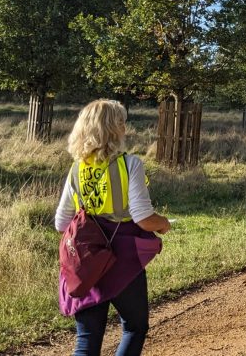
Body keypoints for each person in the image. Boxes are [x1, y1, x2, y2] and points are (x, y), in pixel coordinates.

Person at [54, 99, 171, 356]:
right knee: (134, 327)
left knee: (86, 339)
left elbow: (61, 223)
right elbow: (142, 218)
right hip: (123, 261)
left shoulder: (76, 169)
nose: (125, 129)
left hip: (87, 262)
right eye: (122, 123)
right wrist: (163, 224)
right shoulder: (130, 165)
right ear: (112, 128)